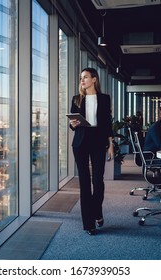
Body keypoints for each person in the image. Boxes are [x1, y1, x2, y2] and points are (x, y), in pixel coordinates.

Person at [69, 67, 114, 236]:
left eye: (86, 77)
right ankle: (89, 224)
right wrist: (72, 124)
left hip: (98, 140)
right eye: (81, 78)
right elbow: (72, 122)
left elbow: (107, 123)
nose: (82, 80)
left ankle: (97, 211)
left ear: (94, 79)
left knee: (98, 181)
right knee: (84, 184)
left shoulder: (104, 99)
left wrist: (110, 145)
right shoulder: (77, 99)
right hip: (80, 142)